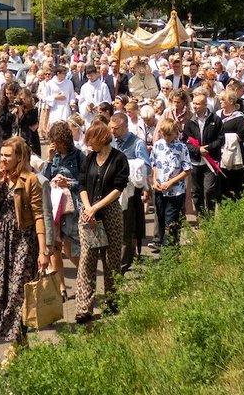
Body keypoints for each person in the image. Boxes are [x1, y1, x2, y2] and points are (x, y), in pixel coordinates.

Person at [0, 137, 48, 360]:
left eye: (8, 155)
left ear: (19, 157)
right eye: (2, 155)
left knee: (18, 295)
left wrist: (43, 251)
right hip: (3, 241)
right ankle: (21, 346)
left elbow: (38, 215)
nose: (3, 159)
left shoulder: (30, 179)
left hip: (24, 241)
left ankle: (14, 349)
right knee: (3, 293)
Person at [75, 121, 129, 324]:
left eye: (91, 140)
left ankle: (111, 301)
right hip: (89, 216)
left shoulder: (119, 159)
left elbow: (118, 187)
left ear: (102, 139)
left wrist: (97, 207)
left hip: (110, 213)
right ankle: (83, 308)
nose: (89, 145)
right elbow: (82, 184)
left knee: (111, 259)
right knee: (87, 260)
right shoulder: (89, 159)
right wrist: (89, 208)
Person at [42, 121, 85, 299]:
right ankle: (61, 288)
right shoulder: (55, 155)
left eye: (59, 141)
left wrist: (69, 183)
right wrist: (49, 159)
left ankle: (85, 276)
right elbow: (43, 180)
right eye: (54, 141)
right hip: (53, 206)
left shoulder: (78, 156)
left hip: (71, 208)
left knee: (70, 248)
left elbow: (85, 182)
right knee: (55, 247)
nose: (57, 145)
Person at [108, 112, 152, 271]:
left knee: (127, 227)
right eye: (111, 128)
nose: (113, 131)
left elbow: (146, 166)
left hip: (131, 192)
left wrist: (129, 166)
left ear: (126, 126)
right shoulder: (111, 141)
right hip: (113, 191)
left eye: (117, 128)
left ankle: (124, 263)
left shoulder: (137, 143)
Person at [149, 118, 191, 251]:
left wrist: (171, 182)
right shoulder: (157, 145)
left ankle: (169, 252)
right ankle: (165, 246)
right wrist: (154, 180)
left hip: (176, 190)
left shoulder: (181, 147)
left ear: (175, 133)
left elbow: (187, 169)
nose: (166, 137)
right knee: (160, 219)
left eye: (169, 135)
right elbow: (154, 164)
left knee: (171, 221)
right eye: (164, 134)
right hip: (160, 189)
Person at [185, 90, 223, 218]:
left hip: (210, 161)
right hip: (195, 161)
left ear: (205, 104)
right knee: (196, 191)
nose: (195, 106)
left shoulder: (215, 120)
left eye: (198, 104)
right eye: (193, 104)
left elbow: (220, 139)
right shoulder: (189, 121)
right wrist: (197, 150)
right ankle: (202, 217)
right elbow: (186, 141)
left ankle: (211, 215)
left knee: (209, 190)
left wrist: (209, 148)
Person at [216, 91, 244, 201]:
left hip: (234, 154)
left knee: (235, 181)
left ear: (231, 102)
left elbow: (241, 135)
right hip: (221, 153)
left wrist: (225, 138)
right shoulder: (218, 115)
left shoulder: (238, 117)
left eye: (223, 99)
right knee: (222, 182)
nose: (221, 101)